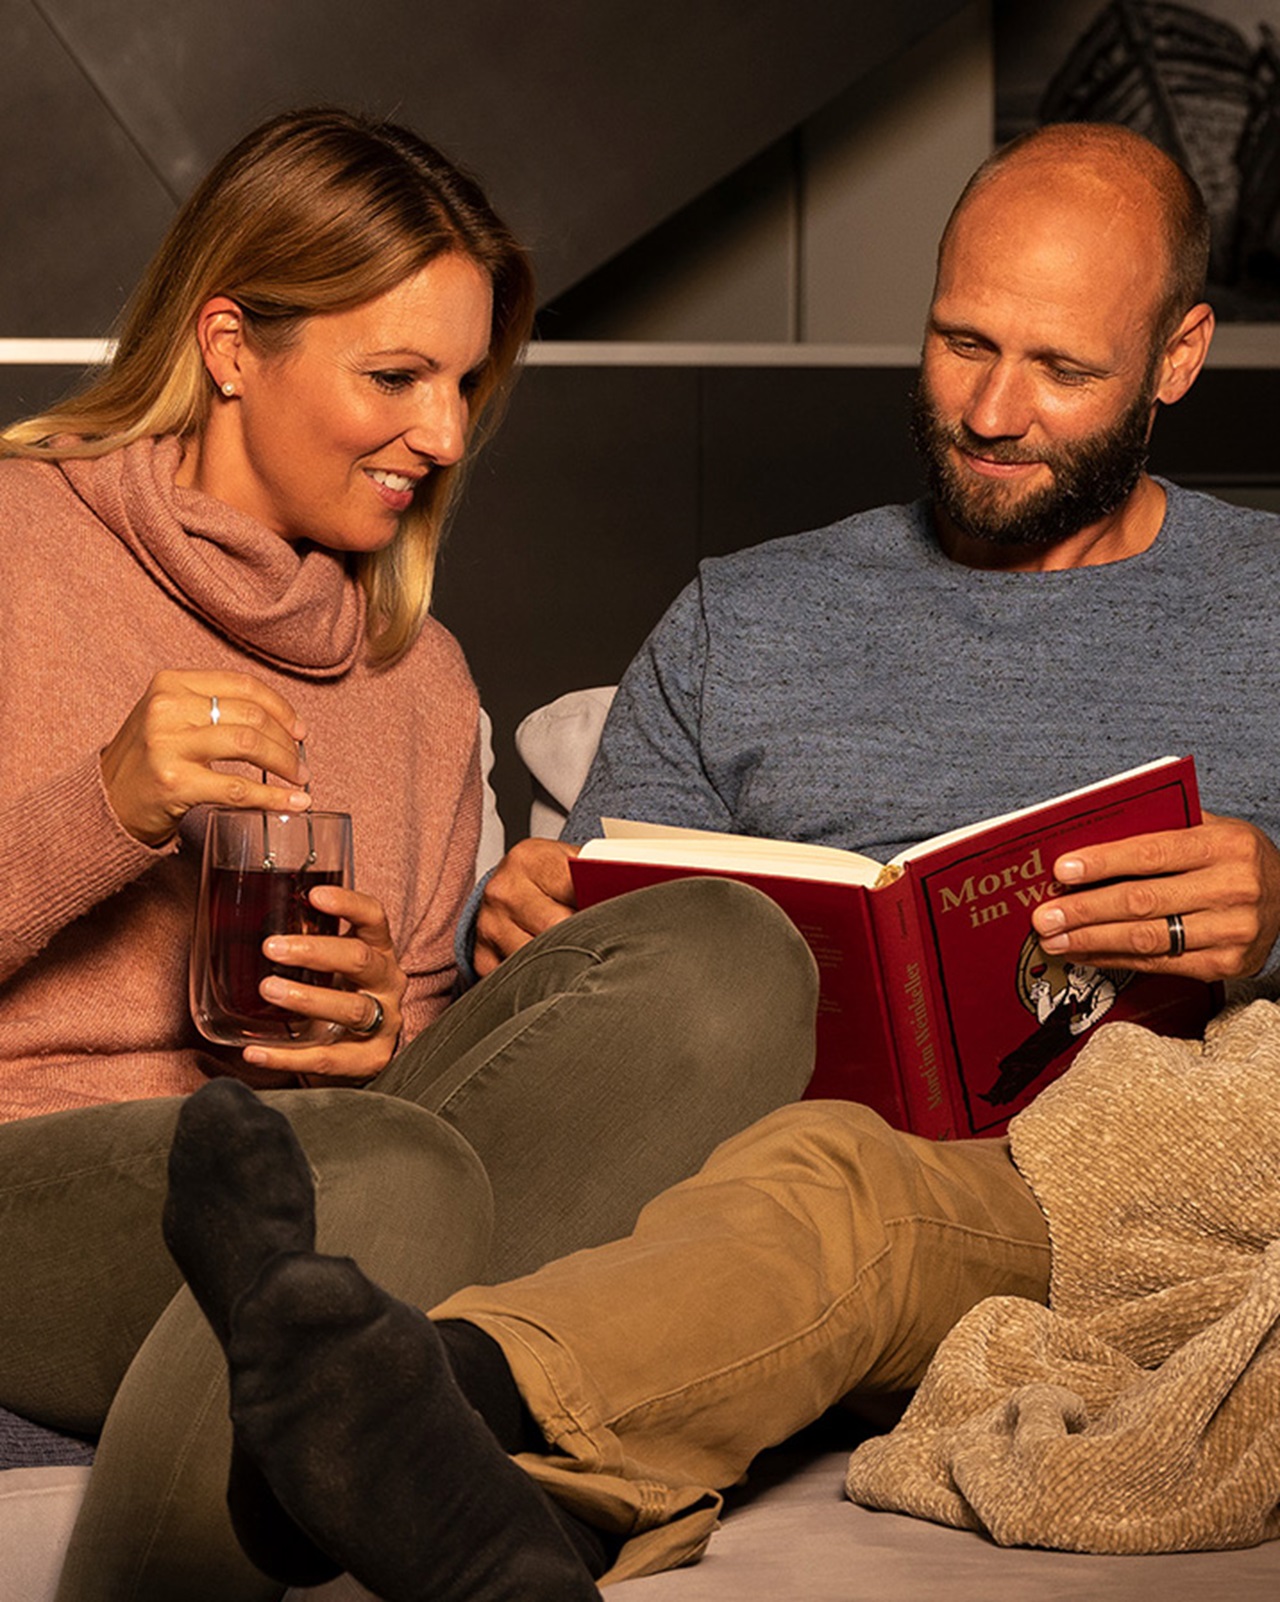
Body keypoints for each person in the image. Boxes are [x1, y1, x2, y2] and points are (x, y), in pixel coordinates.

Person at [160, 121, 1280, 1600]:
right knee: (804, 1168)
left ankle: (424, 1403)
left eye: (1063, 371)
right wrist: (539, 937)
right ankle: (512, 1509)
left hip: (1162, 1176)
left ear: (1179, 357)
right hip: (787, 1192)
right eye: (960, 344)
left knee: (840, 1187)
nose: (994, 411)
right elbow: (616, 991)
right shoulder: (745, 623)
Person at [0, 107, 817, 1602]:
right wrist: (107, 802)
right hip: (37, 1192)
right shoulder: (13, 551)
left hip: (343, 1183)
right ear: (233, 342)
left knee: (729, 958)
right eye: (396, 376)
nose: (445, 435)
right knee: (372, 1183)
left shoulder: (417, 675)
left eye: (461, 383)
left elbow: (429, 1087)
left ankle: (392, 1400)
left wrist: (390, 1019)